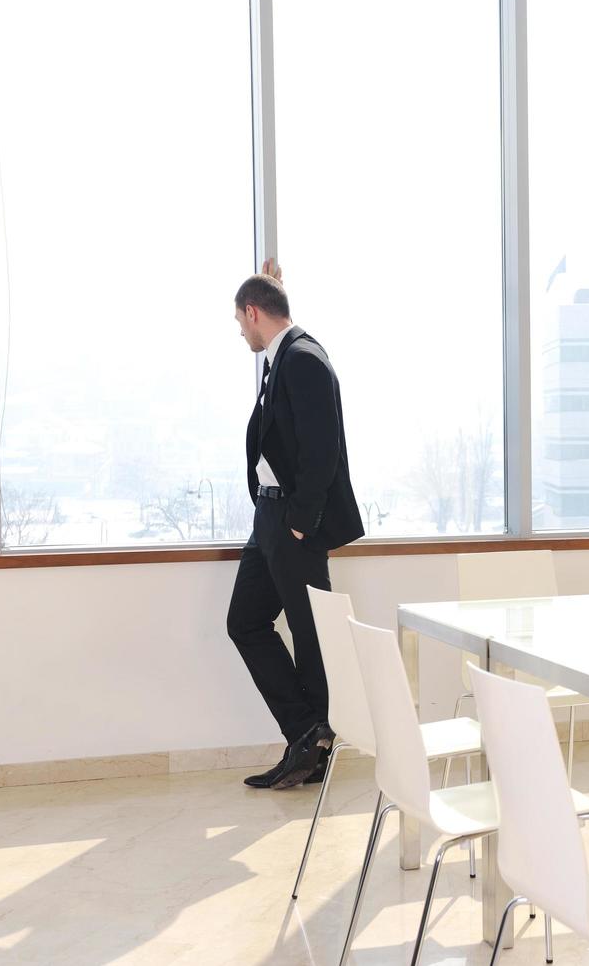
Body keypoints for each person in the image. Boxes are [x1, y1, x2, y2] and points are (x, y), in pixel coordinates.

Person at [226, 259, 364, 790]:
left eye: (241, 320)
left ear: (254, 312)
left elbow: (322, 448)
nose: (239, 331)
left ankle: (315, 745)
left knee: (310, 636)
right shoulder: (283, 355)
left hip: (290, 518)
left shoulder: (304, 358)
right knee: (246, 622)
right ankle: (306, 732)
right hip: (269, 515)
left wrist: (301, 523)